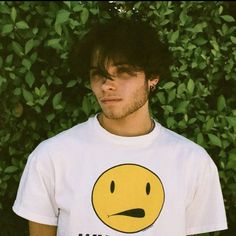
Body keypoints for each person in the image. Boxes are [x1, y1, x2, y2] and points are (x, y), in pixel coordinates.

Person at [13, 17, 228, 236]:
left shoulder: (192, 161)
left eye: (123, 72)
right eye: (99, 74)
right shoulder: (52, 156)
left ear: (152, 77)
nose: (107, 85)